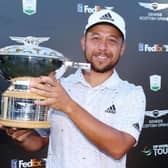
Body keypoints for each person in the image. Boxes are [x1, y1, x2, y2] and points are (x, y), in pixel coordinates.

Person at [0, 9, 146, 168]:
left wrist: (68, 105)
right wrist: (24, 137)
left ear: (122, 48)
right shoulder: (59, 86)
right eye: (95, 38)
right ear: (84, 42)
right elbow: (40, 141)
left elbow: (118, 147)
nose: (102, 47)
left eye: (112, 40)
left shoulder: (132, 93)